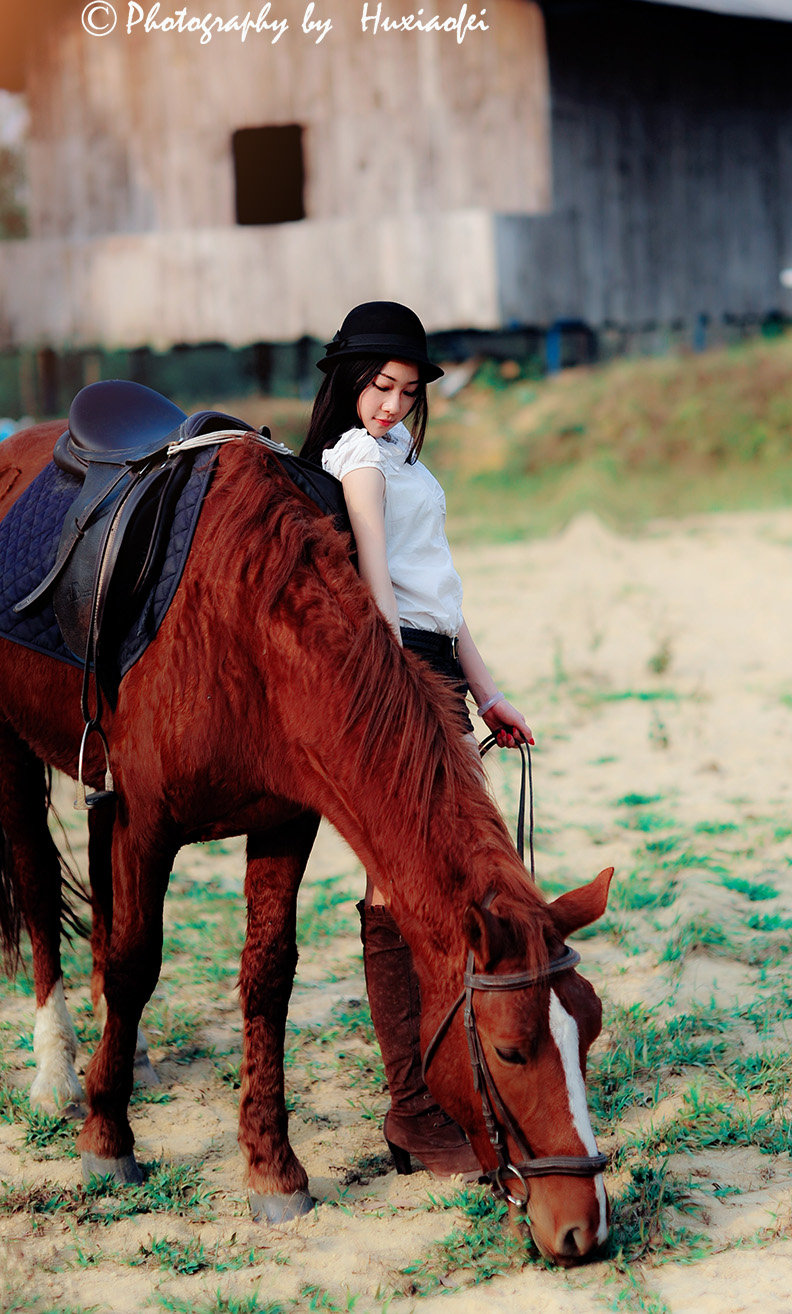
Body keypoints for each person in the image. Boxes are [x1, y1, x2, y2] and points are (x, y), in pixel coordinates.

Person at [300, 300, 534, 1177]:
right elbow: (378, 585)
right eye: (377, 387)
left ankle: (457, 1077)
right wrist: (402, 694)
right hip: (397, 666)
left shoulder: (400, 456)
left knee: (441, 874)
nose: (390, 405)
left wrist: (490, 693)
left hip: (437, 660)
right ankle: (412, 1107)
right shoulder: (357, 460)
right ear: (349, 385)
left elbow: (445, 593)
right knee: (392, 885)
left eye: (403, 391)